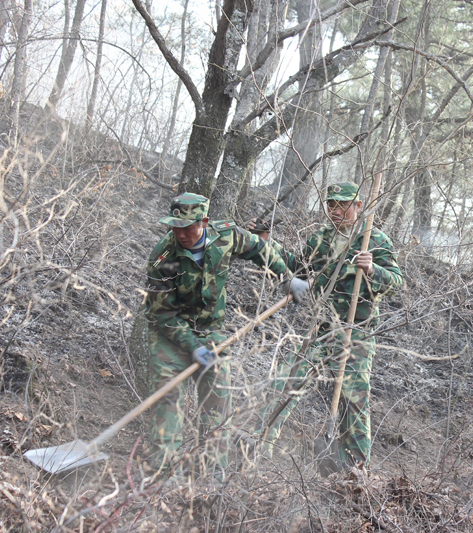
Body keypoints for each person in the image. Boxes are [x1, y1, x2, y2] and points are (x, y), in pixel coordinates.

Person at [143, 192, 309, 479]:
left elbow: (260, 248)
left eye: (188, 227)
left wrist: (285, 278)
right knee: (168, 403)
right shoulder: (163, 258)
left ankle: (210, 479)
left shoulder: (226, 236)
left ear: (204, 222)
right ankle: (161, 479)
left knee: (219, 403)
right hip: (170, 336)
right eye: (176, 227)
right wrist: (193, 347)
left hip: (212, 331)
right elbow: (162, 314)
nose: (181, 234)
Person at [249, 181, 404, 470]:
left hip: (356, 332)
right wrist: (265, 243)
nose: (335, 210)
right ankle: (256, 448)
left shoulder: (375, 240)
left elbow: (396, 282)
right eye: (330, 204)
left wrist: (373, 269)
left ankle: (354, 470)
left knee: (353, 402)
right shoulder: (320, 239)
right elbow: (298, 267)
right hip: (320, 328)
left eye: (342, 204)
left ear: (358, 206)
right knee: (287, 382)